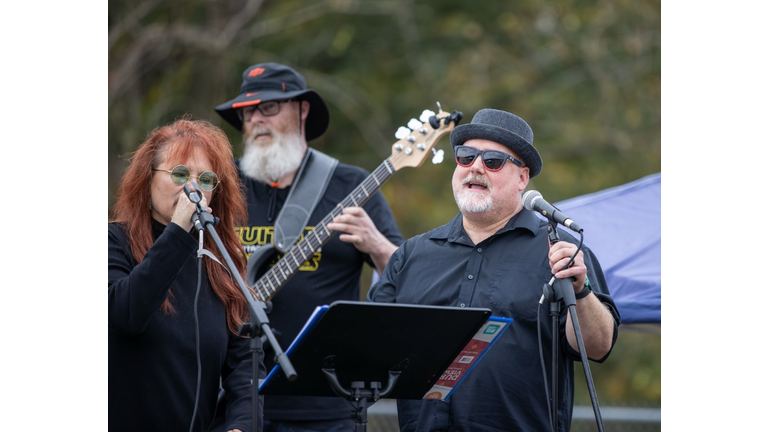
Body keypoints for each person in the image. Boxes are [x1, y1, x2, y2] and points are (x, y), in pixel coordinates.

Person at [367, 109, 621, 431]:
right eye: (466, 156)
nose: (475, 167)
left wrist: (581, 291)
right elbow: (366, 350)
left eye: (493, 161)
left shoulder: (561, 251)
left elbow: (598, 346)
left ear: (522, 178)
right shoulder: (412, 254)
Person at [214, 62, 404, 431]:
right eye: (248, 111)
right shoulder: (223, 185)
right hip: (231, 397)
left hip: (326, 402)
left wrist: (376, 244)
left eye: (269, 107)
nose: (256, 119)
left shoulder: (350, 184)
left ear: (302, 110)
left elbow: (409, 274)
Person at [108, 117, 264, 432]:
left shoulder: (221, 260)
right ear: (147, 179)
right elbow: (125, 314)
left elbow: (245, 366)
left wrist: (240, 426)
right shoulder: (113, 241)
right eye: (179, 173)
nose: (192, 187)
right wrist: (179, 229)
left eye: (205, 179)